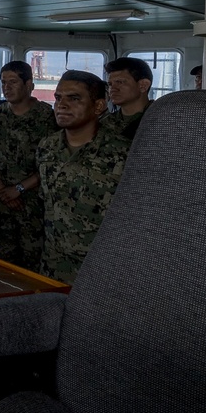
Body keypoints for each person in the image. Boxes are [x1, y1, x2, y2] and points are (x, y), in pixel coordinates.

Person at [37, 70, 131, 284]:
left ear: (98, 106)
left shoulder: (122, 154)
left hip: (102, 269)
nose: (61, 105)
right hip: (53, 265)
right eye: (58, 98)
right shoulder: (47, 147)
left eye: (74, 98)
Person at [0, 61, 59, 270]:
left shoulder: (47, 117)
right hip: (0, 205)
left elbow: (51, 164)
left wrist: (18, 189)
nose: (7, 87)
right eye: (4, 82)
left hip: (32, 206)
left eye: (13, 82)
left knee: (32, 267)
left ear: (29, 84)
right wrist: (2, 190)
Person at [101, 57, 153, 139]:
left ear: (143, 85)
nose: (113, 89)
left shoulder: (163, 120)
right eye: (110, 84)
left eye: (119, 82)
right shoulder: (104, 123)